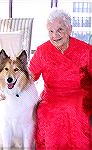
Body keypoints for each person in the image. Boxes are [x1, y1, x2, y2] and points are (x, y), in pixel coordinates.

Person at [29, 8, 92, 150]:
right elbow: (30, 75)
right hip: (52, 95)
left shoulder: (86, 50)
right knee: (48, 112)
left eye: (60, 29)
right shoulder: (42, 51)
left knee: (74, 110)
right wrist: (12, 85)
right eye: (50, 31)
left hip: (80, 93)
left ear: (69, 29)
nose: (55, 35)